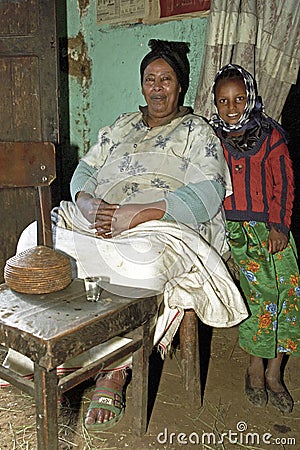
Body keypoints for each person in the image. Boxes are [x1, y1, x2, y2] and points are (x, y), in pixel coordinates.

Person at [3, 41, 248, 429]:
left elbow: (207, 193)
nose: (156, 87)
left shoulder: (196, 131)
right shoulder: (121, 126)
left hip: (157, 223)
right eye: (149, 79)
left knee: (144, 263)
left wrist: (136, 215)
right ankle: (47, 352)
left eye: (165, 79)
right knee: (36, 239)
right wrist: (88, 205)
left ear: (179, 85)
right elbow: (85, 171)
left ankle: (113, 368)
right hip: (100, 219)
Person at [210, 63, 300, 414]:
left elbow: (285, 183)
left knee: (291, 291)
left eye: (239, 98)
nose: (232, 107)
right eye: (223, 101)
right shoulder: (213, 140)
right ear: (215, 104)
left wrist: (279, 226)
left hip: (274, 229)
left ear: (251, 97)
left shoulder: (270, 135)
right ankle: (254, 367)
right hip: (239, 232)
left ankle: (276, 371)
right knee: (262, 296)